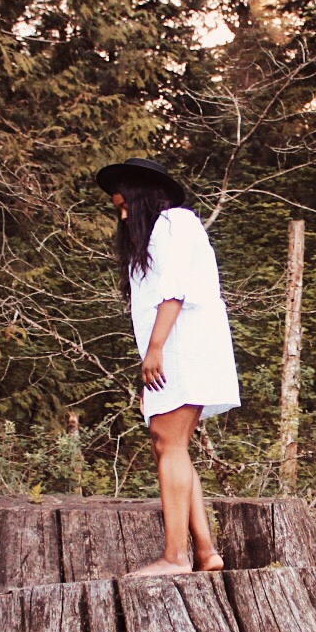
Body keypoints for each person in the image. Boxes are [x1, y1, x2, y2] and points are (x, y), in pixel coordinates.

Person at [96, 158, 241, 576]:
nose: (124, 216)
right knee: (167, 443)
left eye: (125, 206)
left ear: (143, 197)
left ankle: (175, 557)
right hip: (173, 347)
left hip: (182, 345)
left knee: (170, 443)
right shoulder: (157, 235)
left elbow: (175, 290)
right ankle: (206, 552)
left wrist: (155, 350)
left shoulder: (175, 221)